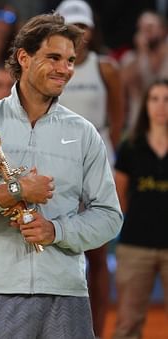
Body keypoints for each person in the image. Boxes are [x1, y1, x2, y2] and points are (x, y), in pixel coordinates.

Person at [0, 13, 123, 338]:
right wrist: (13, 190)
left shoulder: (84, 134)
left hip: (66, 293)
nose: (65, 69)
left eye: (70, 60)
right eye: (53, 58)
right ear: (24, 57)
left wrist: (56, 230)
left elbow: (109, 217)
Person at [56, 1, 126, 337]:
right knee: (58, 252)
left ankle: (94, 330)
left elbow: (118, 118)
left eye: (83, 26)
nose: (78, 33)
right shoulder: (50, 68)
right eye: (72, 26)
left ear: (92, 30)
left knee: (97, 256)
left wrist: (106, 155)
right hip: (57, 164)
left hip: (97, 163)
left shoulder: (106, 68)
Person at [113, 79, 168, 339]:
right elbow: (119, 195)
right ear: (145, 105)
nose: (161, 106)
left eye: (167, 99)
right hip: (135, 245)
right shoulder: (130, 147)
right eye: (154, 99)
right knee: (127, 324)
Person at [121, 11, 168, 130]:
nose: (145, 31)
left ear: (163, 30)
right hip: (139, 126)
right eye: (141, 28)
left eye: (150, 27)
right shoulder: (130, 59)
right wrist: (141, 53)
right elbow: (126, 87)